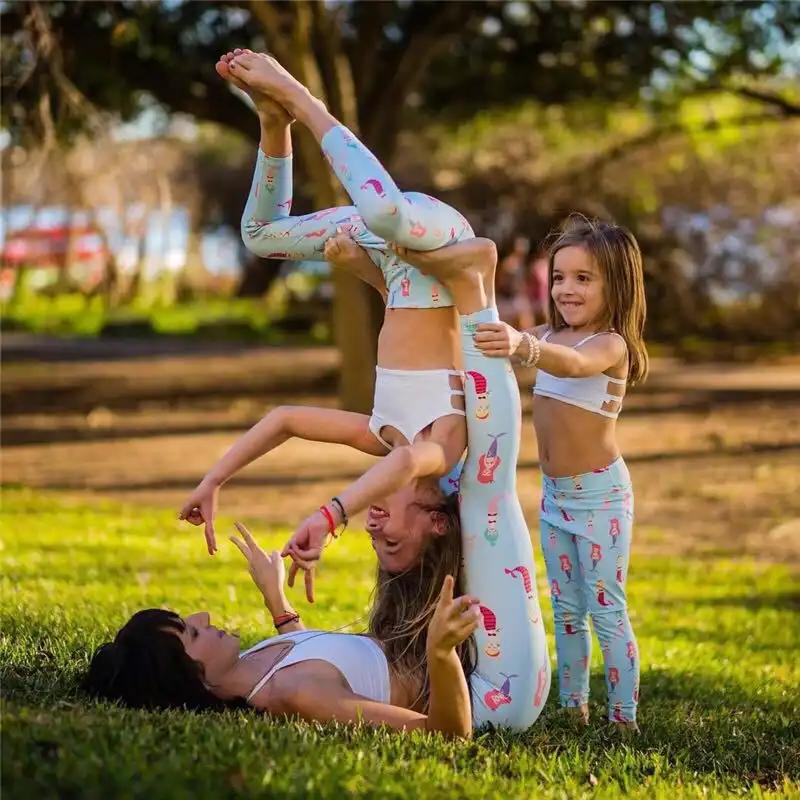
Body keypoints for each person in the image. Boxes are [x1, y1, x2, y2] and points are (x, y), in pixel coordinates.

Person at [183, 50, 550, 730]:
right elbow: (406, 466)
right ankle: (299, 95)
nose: (377, 515)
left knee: (260, 234)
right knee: (383, 215)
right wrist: (331, 515)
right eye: (388, 522)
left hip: (396, 259)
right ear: (436, 516)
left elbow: (285, 418)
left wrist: (213, 480)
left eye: (373, 517)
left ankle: (273, 124)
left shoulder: (381, 433)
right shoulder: (445, 449)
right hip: (428, 234)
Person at [470, 214, 648, 730]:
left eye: (583, 278)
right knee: (567, 610)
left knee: (606, 610)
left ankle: (623, 718)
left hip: (601, 499)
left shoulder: (610, 344)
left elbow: (570, 365)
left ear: (616, 284)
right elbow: (510, 339)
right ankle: (574, 709)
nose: (567, 289)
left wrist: (522, 346)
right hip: (555, 498)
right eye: (559, 277)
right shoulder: (550, 333)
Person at [83, 523, 481, 738]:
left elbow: (321, 659)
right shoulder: (297, 695)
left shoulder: (253, 665)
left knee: (404, 502)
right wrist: (441, 652)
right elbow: (445, 734)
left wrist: (276, 598)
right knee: (414, 509)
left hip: (410, 632)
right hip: (467, 668)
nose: (203, 617)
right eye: (191, 633)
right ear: (192, 677)